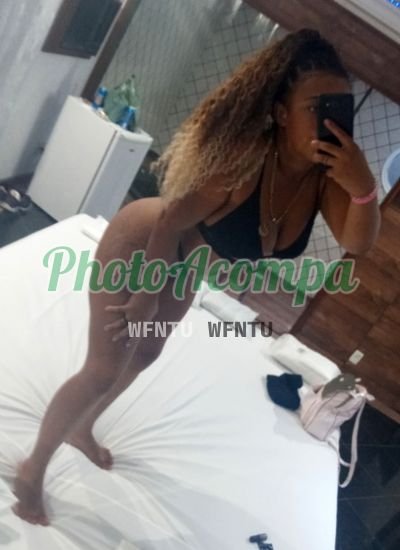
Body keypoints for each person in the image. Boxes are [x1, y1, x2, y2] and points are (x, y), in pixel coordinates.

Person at [12, 28, 380, 525]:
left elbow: (358, 242)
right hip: (145, 243)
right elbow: (169, 220)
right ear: (280, 113)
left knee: (146, 353)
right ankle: (32, 470)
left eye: (340, 107)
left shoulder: (325, 180)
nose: (330, 120)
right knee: (103, 368)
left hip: (188, 265)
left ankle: (82, 427)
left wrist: (364, 188)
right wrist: (145, 295)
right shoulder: (245, 164)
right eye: (316, 107)